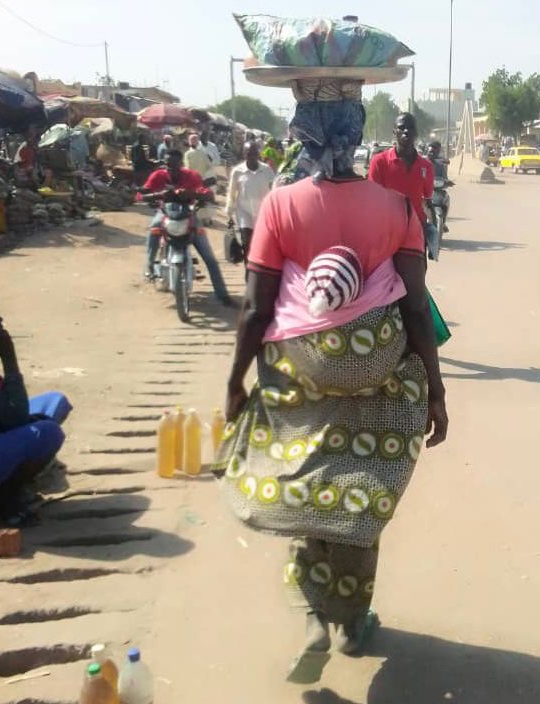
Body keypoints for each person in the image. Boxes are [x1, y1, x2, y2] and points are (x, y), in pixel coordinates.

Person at [218, 88, 448, 684]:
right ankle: (350, 620)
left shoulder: (279, 205)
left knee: (305, 484)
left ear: (303, 136)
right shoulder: (397, 208)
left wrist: (235, 382)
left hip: (300, 376)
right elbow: (415, 308)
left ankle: (313, 615)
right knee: (359, 496)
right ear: (356, 134)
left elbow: (256, 308)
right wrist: (436, 390)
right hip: (380, 382)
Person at [0, 291, 72, 525]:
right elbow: (16, 418)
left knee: (54, 401)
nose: (0, 321)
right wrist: (10, 358)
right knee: (47, 433)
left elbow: (5, 405)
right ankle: (3, 497)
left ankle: (7, 474)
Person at [139, 150, 233, 306]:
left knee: (209, 257)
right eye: (168, 165)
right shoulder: (158, 175)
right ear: (165, 164)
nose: (171, 168)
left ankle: (222, 294)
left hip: (188, 214)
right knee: (154, 226)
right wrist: (154, 195)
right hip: (165, 212)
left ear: (181, 164)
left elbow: (206, 192)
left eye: (175, 164)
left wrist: (192, 194)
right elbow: (143, 193)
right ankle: (149, 266)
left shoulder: (191, 175)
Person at [368, 113, 437, 259]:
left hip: (415, 233)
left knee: (416, 274)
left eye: (410, 128)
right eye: (401, 127)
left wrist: (433, 236)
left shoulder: (426, 166)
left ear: (416, 133)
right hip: (386, 233)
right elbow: (372, 203)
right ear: (394, 131)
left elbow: (427, 201)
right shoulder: (379, 162)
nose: (406, 131)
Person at [225, 140, 274, 262]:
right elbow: (231, 192)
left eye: (254, 153)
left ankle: (258, 267)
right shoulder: (237, 171)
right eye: (248, 153)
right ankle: (248, 270)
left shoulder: (267, 170)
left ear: (258, 154)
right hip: (244, 213)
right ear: (244, 154)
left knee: (262, 245)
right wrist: (229, 210)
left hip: (263, 213)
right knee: (247, 243)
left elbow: (274, 190)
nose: (251, 156)